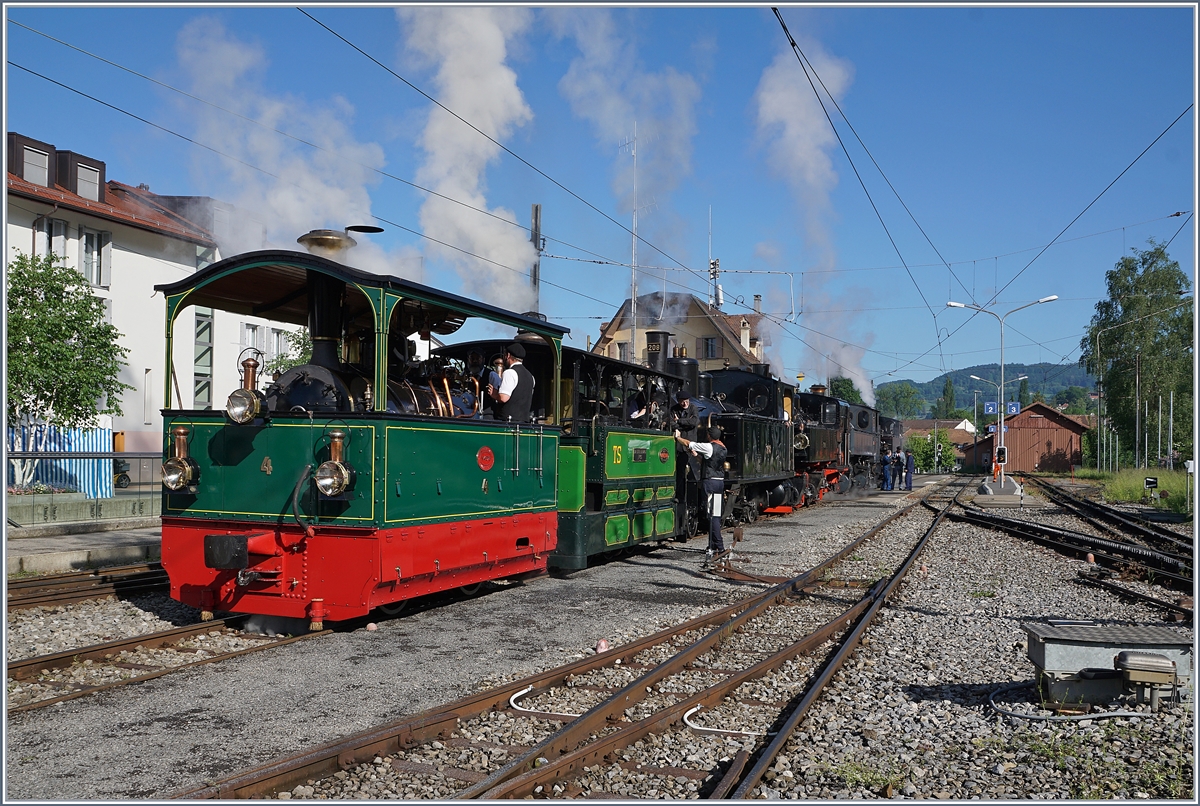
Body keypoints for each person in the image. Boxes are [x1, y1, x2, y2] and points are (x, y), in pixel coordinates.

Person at [675, 424, 727, 563]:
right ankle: (713, 546)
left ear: (710, 436)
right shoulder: (723, 448)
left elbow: (689, 443)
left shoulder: (709, 446)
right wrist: (697, 456)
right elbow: (708, 462)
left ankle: (719, 548)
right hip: (719, 482)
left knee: (711, 516)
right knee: (715, 514)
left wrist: (678, 437)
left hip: (709, 483)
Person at [488, 342, 535, 422]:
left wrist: (494, 395)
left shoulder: (509, 372)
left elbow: (503, 398)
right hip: (524, 422)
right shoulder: (531, 376)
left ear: (508, 356)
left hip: (508, 424)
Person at [671, 391, 701, 480]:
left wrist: (679, 421)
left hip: (690, 443)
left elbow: (694, 422)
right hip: (679, 446)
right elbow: (671, 423)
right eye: (682, 401)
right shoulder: (674, 409)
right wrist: (686, 423)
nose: (685, 403)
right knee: (679, 471)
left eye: (687, 401)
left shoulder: (693, 408)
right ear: (678, 401)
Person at [465, 349, 501, 418]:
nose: (475, 361)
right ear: (468, 359)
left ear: (483, 360)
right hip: (467, 414)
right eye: (472, 358)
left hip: (487, 415)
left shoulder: (492, 375)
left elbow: (498, 397)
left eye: (478, 358)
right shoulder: (464, 374)